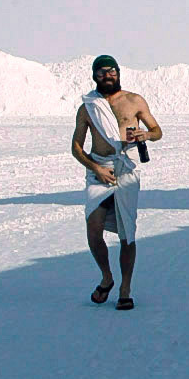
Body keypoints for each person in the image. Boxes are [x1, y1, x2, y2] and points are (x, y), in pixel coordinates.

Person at [70, 55, 162, 310]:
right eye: (101, 73)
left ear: (118, 73)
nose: (107, 76)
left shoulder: (134, 101)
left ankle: (125, 288)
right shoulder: (88, 107)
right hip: (99, 169)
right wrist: (96, 168)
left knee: (127, 234)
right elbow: (76, 147)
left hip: (126, 168)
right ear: (94, 76)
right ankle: (107, 277)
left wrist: (146, 134)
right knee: (93, 229)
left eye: (111, 71)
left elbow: (157, 131)